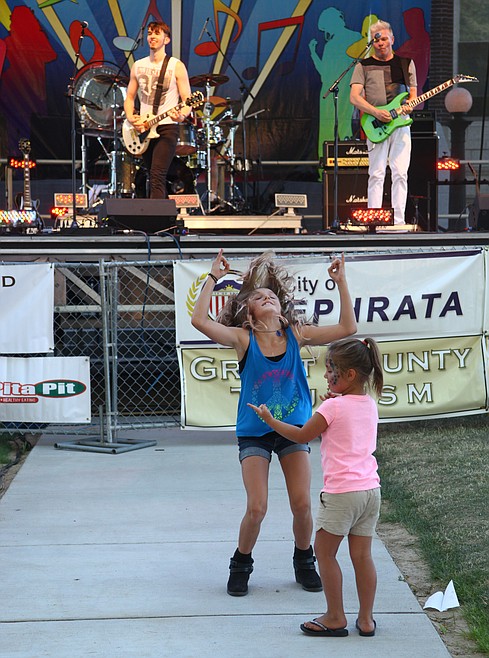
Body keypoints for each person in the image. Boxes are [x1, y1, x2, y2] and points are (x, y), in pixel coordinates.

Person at [191, 250, 357, 596]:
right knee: (257, 507)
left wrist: (341, 283)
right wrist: (213, 277)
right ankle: (241, 563)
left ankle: (304, 560)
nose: (267, 298)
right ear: (249, 312)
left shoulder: (296, 334)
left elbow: (347, 328)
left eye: (272, 296)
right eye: (259, 297)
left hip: (294, 430)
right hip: (255, 432)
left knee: (302, 504)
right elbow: (200, 321)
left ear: (281, 307)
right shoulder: (243, 339)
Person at [249, 336, 383, 637]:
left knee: (324, 553)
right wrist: (334, 401)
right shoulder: (369, 404)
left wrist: (270, 420)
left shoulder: (332, 408)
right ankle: (366, 619)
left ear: (349, 375)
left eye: (331, 370)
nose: (326, 375)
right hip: (370, 491)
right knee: (362, 557)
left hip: (341, 494)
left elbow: (300, 436)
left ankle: (335, 616)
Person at [350, 20, 417, 225]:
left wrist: (410, 105)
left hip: (400, 122)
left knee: (400, 173)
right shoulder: (363, 65)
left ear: (392, 40)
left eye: (384, 39)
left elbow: (413, 95)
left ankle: (398, 222)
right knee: (376, 173)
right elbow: (354, 97)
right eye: (376, 40)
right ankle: (374, 220)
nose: (380, 43)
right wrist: (376, 112)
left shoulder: (406, 63)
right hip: (375, 123)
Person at [124, 21, 192, 198]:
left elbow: (188, 100)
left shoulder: (176, 66)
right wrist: (131, 117)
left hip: (167, 127)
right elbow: (130, 97)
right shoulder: (138, 65)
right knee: (151, 175)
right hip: (145, 128)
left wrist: (181, 116)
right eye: (149, 33)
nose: (152, 37)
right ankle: (158, 211)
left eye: (157, 33)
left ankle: (156, 214)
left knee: (157, 174)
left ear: (166, 39)